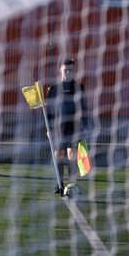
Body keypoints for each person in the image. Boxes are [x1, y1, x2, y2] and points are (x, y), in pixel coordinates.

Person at [46, 58, 90, 195]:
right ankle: (60, 184)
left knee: (72, 156)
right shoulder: (53, 89)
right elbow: (48, 111)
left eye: (71, 70)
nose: (69, 72)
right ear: (60, 70)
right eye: (66, 70)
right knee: (58, 156)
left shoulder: (79, 87)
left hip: (74, 128)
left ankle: (72, 184)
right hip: (58, 129)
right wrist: (48, 129)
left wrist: (86, 126)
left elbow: (84, 108)